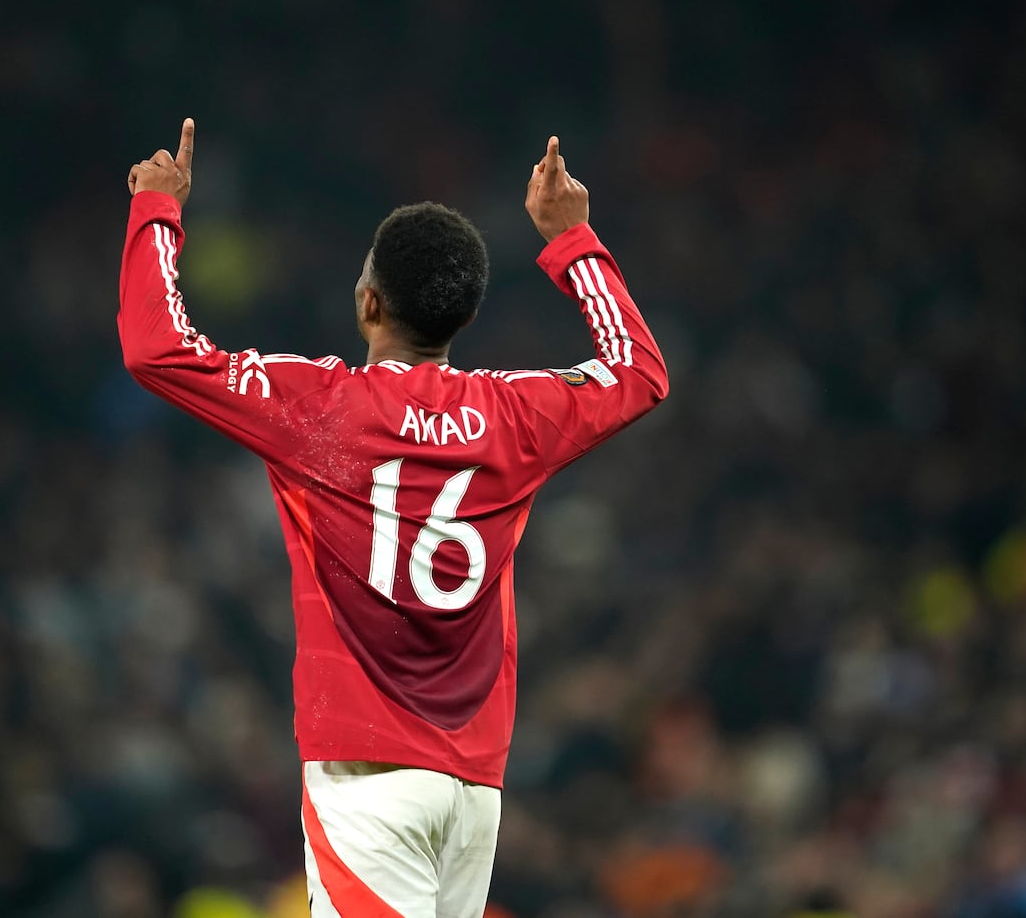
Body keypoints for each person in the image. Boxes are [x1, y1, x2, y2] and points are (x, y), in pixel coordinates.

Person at [119, 119, 668, 917]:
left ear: (369, 301)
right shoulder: (514, 416)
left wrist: (157, 212)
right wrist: (572, 238)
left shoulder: (319, 410)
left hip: (367, 783)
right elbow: (636, 370)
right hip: (473, 790)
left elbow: (157, 348)